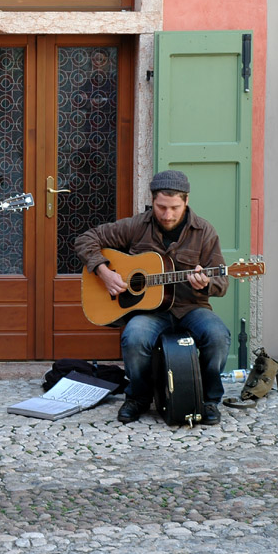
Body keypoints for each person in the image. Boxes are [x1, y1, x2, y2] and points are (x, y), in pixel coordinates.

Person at [74, 170, 231, 425]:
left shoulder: (204, 232)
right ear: (153, 200)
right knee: (134, 337)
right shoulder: (137, 226)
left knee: (218, 337)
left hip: (191, 307)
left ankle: (208, 400)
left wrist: (205, 284)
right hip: (151, 312)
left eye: (174, 208)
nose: (167, 215)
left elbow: (221, 283)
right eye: (161, 207)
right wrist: (103, 271)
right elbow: (85, 240)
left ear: (186, 201)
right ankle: (138, 397)